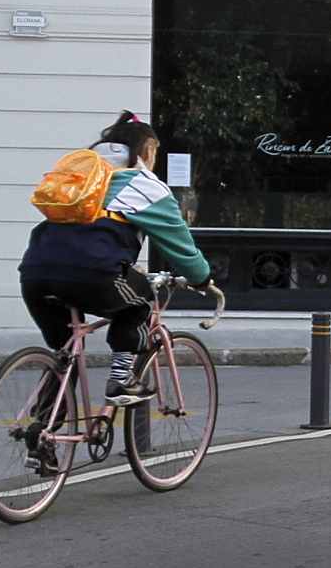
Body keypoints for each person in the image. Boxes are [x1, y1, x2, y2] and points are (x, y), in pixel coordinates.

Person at [20, 113, 213, 407]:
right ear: (148, 151)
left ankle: (41, 433)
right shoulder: (142, 184)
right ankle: (122, 381)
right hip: (92, 274)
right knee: (142, 300)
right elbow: (180, 244)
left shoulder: (79, 180)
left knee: (66, 351)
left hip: (35, 273)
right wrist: (201, 278)